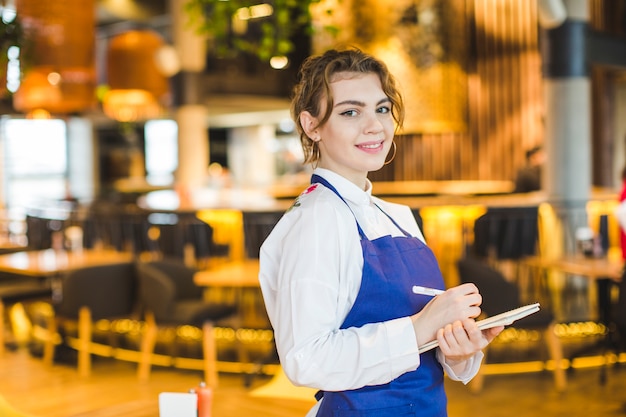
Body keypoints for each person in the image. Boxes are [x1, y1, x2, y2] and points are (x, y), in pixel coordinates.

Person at [258, 48, 503, 417]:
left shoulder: (397, 216)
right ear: (312, 126)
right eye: (350, 112)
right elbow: (306, 359)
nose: (374, 126)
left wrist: (456, 349)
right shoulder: (316, 221)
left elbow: (423, 351)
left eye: (382, 109)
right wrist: (422, 326)